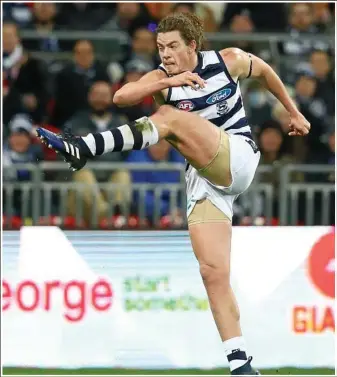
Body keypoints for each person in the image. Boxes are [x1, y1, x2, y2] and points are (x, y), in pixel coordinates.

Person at [37, 12, 310, 375]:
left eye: (172, 46)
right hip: (204, 177)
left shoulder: (227, 61)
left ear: (192, 45)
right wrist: (174, 78)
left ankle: (84, 147)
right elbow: (122, 95)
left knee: (169, 116)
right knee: (213, 271)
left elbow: (264, 70)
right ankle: (241, 363)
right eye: (160, 47)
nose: (164, 53)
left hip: (238, 156)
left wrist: (294, 112)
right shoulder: (163, 78)